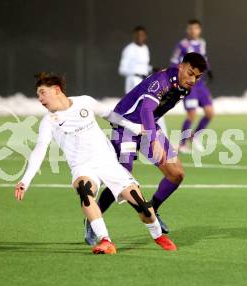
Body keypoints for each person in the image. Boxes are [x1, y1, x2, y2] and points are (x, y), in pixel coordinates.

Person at [14, 72, 177, 254]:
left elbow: (111, 116)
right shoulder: (49, 121)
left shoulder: (85, 102)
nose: (40, 99)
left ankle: (158, 236)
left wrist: (136, 128)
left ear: (57, 90)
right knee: (84, 190)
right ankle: (105, 240)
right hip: (82, 168)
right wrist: (25, 180)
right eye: (38, 95)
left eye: (42, 93)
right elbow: (40, 149)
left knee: (142, 205)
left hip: (108, 163)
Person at [85, 53, 208, 244]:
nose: (192, 80)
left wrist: (152, 134)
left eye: (197, 77)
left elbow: (153, 113)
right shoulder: (162, 80)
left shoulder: (184, 87)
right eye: (190, 73)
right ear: (182, 66)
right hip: (125, 125)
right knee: (122, 178)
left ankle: (152, 209)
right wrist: (153, 139)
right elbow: (145, 109)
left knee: (176, 174)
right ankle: (93, 220)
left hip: (147, 126)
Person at [170, 19, 215, 153]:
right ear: (187, 30)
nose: (193, 31)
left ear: (199, 30)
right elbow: (173, 61)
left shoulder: (202, 43)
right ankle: (183, 144)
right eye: (190, 28)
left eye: (195, 28)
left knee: (210, 113)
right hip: (189, 84)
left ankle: (195, 137)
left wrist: (209, 70)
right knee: (191, 114)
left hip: (200, 84)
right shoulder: (182, 45)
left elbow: (204, 58)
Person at [119, 25, 167, 136]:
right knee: (137, 112)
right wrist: (135, 73)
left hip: (144, 81)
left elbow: (144, 66)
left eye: (142, 35)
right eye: (137, 34)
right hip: (133, 82)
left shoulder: (145, 48)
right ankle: (127, 138)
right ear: (134, 35)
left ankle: (162, 138)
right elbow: (122, 69)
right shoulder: (129, 49)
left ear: (145, 36)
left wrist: (151, 69)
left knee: (154, 109)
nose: (140, 37)